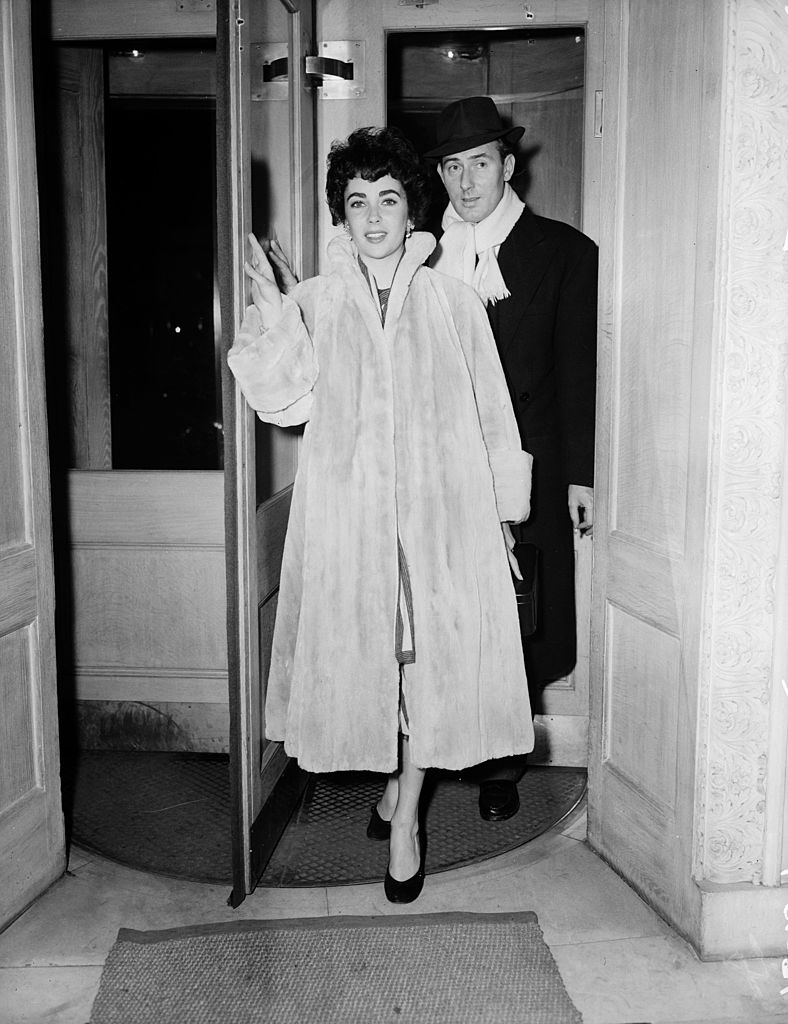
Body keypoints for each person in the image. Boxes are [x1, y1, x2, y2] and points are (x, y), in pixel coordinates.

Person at [227, 126, 534, 903]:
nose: (372, 218)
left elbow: (494, 414)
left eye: (387, 199)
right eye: (357, 201)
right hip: (351, 523)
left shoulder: (452, 298)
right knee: (376, 667)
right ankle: (396, 789)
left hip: (442, 522)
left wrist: (502, 519)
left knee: (431, 669)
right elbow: (284, 400)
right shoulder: (318, 301)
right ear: (342, 214)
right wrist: (272, 314)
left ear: (411, 209)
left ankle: (406, 818)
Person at [425, 96, 598, 823]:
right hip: (440, 468)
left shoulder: (563, 252)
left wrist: (582, 473)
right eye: (453, 167)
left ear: (507, 164)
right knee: (440, 618)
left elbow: (578, 370)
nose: (467, 182)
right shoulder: (422, 255)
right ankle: (429, 756)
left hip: (524, 467)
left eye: (481, 163)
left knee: (516, 619)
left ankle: (500, 765)